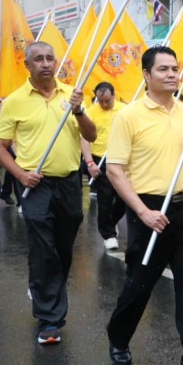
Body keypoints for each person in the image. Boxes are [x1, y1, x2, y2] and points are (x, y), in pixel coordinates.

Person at [104, 46, 183, 365]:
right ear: (146, 74)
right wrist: (142, 211)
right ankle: (119, 336)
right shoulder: (130, 116)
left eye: (175, 68)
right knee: (139, 285)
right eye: (164, 69)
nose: (172, 74)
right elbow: (114, 170)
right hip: (147, 210)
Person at [0, 42, 97, 344]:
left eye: (50, 58)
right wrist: (21, 174)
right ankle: (50, 319)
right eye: (38, 59)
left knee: (63, 247)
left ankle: (45, 286)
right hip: (35, 185)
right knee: (42, 245)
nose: (46, 63)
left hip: (68, 183)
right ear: (28, 65)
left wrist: (78, 111)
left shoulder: (71, 95)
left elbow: (91, 135)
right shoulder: (14, 101)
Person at [81, 82, 126, 251]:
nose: (105, 104)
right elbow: (84, 139)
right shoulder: (90, 113)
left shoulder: (124, 110)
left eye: (108, 100)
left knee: (124, 198)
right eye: (101, 101)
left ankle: (111, 221)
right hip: (100, 160)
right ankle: (108, 235)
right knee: (105, 199)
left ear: (114, 96)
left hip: (121, 159)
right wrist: (90, 163)